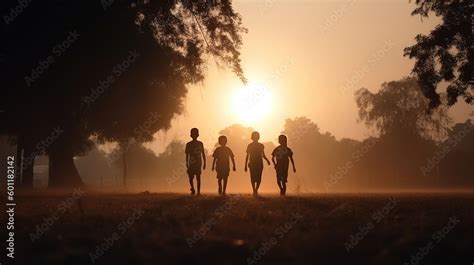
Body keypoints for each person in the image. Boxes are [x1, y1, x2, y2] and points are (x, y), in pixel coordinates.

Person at [245, 131, 270, 196]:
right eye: (254, 136)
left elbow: (263, 155)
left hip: (259, 163)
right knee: (252, 177)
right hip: (252, 163)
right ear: (252, 137)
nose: (255, 138)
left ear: (258, 137)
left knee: (259, 177)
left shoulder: (261, 146)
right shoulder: (250, 146)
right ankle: (254, 190)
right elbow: (247, 155)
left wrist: (267, 160)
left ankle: (256, 190)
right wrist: (245, 165)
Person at [185, 128, 206, 195]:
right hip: (191, 163)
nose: (194, 135)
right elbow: (187, 154)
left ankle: (198, 192)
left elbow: (203, 153)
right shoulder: (188, 144)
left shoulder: (200, 143)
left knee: (198, 177)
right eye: (193, 133)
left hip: (198, 163)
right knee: (191, 177)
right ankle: (193, 188)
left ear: (198, 135)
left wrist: (205, 163)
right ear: (191, 135)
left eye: (195, 133)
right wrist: (187, 163)